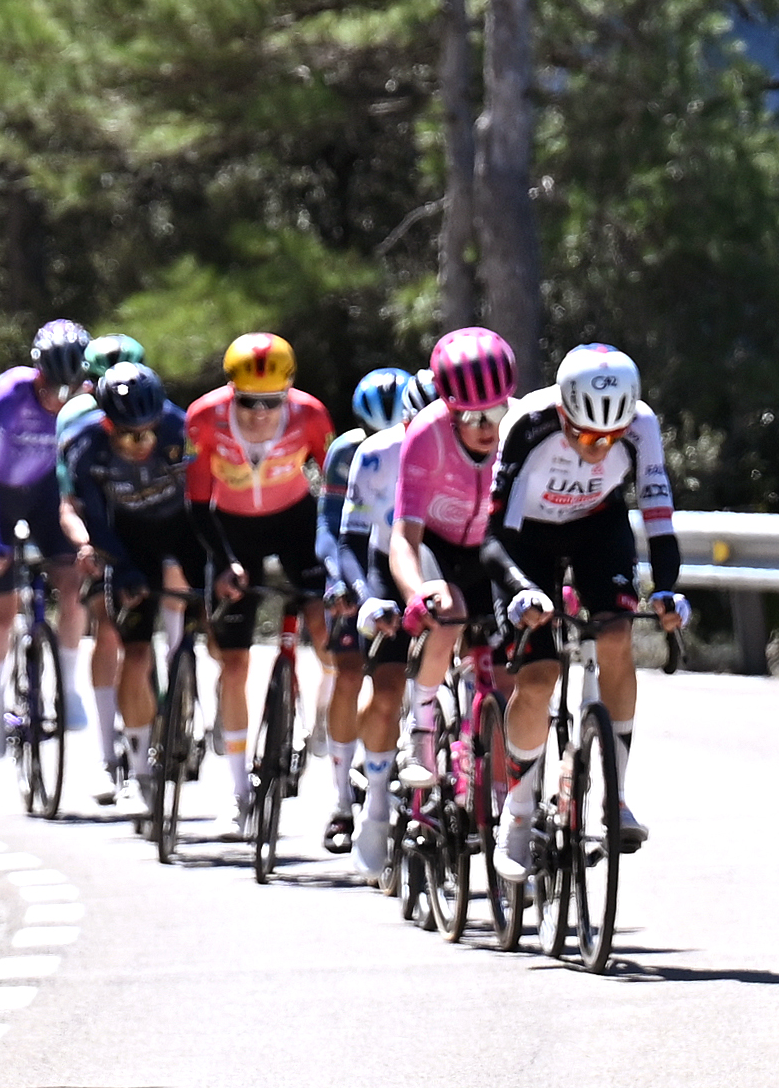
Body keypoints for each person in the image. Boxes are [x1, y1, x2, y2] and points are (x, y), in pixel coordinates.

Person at [483, 340, 683, 863]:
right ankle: (519, 815)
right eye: (586, 433)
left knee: (617, 634)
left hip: (597, 525)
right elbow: (491, 535)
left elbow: (659, 520)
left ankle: (613, 799)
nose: (598, 446)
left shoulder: (642, 424)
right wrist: (519, 589)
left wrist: (664, 589)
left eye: (610, 436)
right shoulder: (528, 424)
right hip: (526, 537)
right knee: (539, 675)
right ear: (565, 413)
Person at [178, 330, 338, 838]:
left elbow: (333, 490)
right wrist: (224, 564)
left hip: (295, 521)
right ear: (231, 392)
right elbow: (196, 505)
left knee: (328, 624)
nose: (260, 414)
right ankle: (238, 793)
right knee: (235, 661)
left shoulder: (311, 415)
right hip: (231, 529)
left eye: (272, 403)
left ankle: (322, 717)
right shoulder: (203, 419)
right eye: (247, 402)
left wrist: (336, 560)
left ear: (289, 394)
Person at [381, 326, 534, 838]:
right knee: (446, 613)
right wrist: (415, 592)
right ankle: (422, 724)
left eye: (497, 412)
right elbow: (403, 538)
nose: (490, 427)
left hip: (494, 547)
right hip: (439, 548)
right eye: (474, 417)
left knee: (509, 681)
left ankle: (504, 801)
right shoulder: (425, 436)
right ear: (450, 410)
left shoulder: (519, 427)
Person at [62, 355, 198, 784]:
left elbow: (208, 494)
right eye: (127, 432)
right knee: (135, 651)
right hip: (127, 542)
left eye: (148, 430)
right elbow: (96, 518)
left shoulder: (182, 429)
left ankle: (187, 680)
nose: (140, 440)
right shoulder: (85, 446)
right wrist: (116, 566)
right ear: (106, 422)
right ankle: (139, 765)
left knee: (211, 628)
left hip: (183, 532)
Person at [0, 316, 95, 753]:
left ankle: (69, 688)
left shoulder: (86, 399)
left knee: (73, 585)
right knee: (4, 609)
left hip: (44, 493)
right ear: (39, 372)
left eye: (70, 388)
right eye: (54, 387)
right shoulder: (7, 396)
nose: (61, 399)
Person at [314, 365, 428, 871]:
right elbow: (336, 529)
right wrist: (346, 587)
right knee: (350, 672)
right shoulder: (356, 452)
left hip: (438, 566)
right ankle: (345, 801)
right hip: (370, 568)